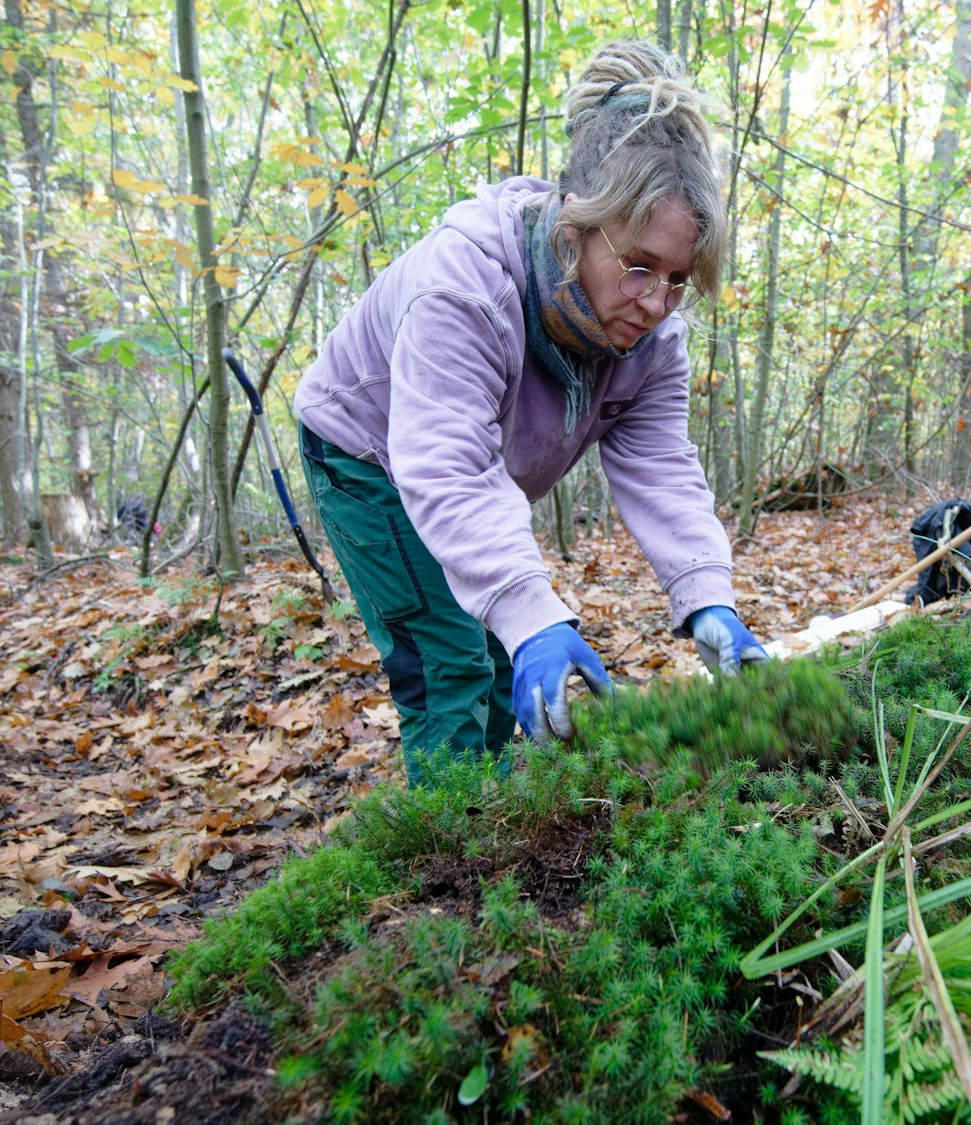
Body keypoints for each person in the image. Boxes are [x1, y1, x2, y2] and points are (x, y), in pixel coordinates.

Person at [292, 40, 769, 784]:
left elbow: (662, 469)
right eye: (639, 265)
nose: (656, 302)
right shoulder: (468, 284)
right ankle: (454, 856)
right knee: (449, 656)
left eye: (678, 279)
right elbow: (447, 466)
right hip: (366, 451)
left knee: (494, 644)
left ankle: (496, 799)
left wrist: (709, 599)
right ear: (577, 221)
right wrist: (529, 611)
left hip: (464, 466)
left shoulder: (653, 338)